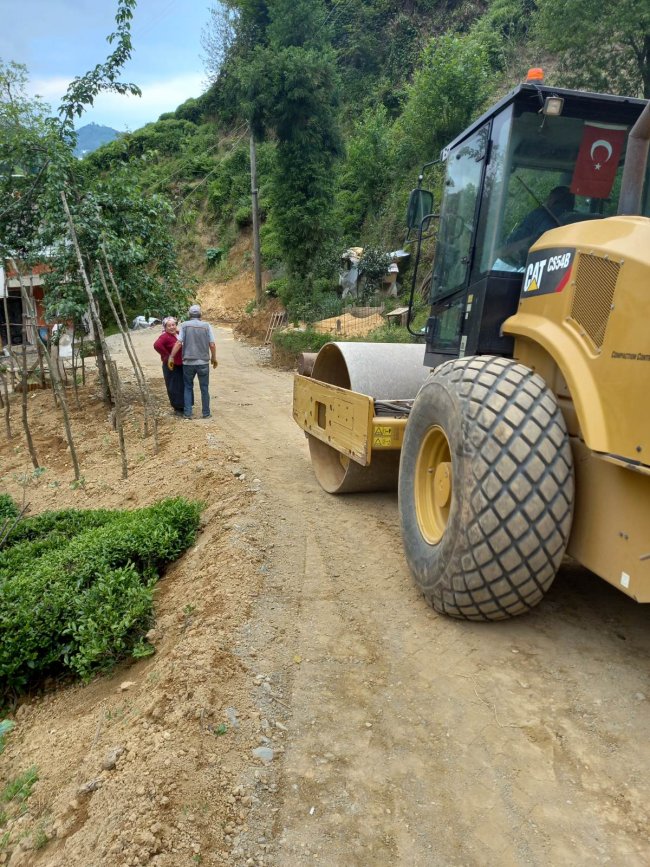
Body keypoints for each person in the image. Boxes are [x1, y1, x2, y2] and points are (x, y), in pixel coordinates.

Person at [498, 185, 575, 269]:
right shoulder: (579, 220)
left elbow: (515, 242)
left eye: (549, 197)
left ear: (553, 199)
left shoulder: (541, 215)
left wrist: (501, 251)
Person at [170, 304, 218, 419]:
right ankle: (206, 413)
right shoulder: (207, 326)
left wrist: (171, 356)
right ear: (200, 314)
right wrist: (214, 358)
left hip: (188, 363)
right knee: (204, 388)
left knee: (187, 387)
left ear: (189, 315)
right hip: (203, 363)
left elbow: (178, 342)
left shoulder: (185, 326)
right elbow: (212, 344)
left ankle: (187, 413)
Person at [153, 317, 185, 413]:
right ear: (165, 327)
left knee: (182, 385)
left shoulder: (179, 334)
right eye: (169, 326)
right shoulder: (164, 336)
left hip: (181, 364)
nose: (172, 327)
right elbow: (156, 345)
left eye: (173, 325)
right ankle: (177, 408)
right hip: (171, 365)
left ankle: (184, 405)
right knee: (173, 386)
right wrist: (167, 356)